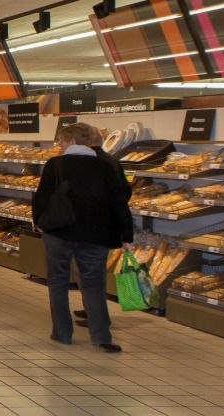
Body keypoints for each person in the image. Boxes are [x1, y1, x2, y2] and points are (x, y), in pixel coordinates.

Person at [33, 123, 133, 352]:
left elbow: (42, 198)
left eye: (61, 141)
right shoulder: (105, 166)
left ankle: (62, 333)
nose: (60, 145)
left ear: (70, 141)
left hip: (58, 232)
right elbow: (119, 203)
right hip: (96, 235)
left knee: (58, 282)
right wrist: (126, 234)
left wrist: (39, 221)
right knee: (94, 284)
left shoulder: (55, 165)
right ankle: (101, 336)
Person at [74, 124, 132, 326]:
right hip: (105, 226)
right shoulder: (111, 161)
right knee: (92, 272)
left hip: (91, 228)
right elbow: (125, 192)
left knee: (89, 274)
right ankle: (91, 309)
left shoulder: (91, 163)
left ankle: (97, 316)